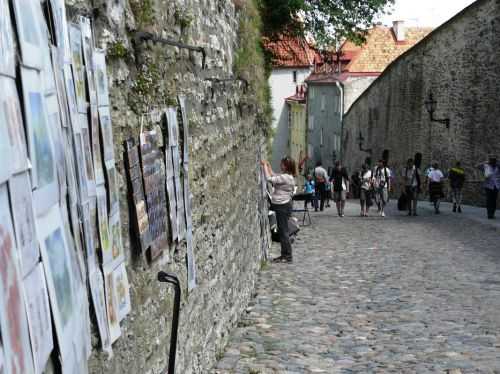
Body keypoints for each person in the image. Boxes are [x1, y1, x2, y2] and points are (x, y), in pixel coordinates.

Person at [261, 157, 296, 262]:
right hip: (283, 205)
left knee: (283, 231)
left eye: (282, 164)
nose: (281, 165)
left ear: (286, 166)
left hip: (282, 206)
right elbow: (274, 175)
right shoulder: (287, 177)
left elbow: (269, 179)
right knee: (282, 230)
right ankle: (285, 255)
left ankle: (287, 255)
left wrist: (264, 166)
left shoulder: (286, 177)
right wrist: (268, 166)